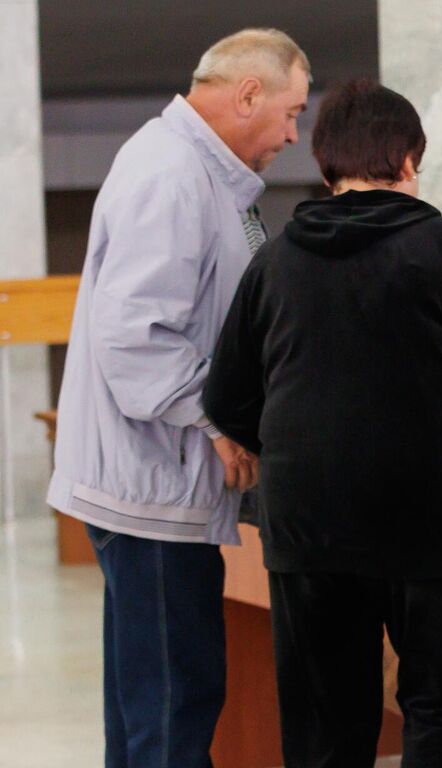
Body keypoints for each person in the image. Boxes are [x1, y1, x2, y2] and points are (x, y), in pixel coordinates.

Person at [203, 79, 442, 767]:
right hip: (427, 521)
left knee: (325, 724)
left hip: (306, 526)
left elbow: (228, 397)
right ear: (409, 162)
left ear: (325, 161)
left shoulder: (276, 259)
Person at [45, 28, 307, 767]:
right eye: (289, 112)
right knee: (173, 703)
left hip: (155, 484)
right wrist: (215, 415)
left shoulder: (194, 170)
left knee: (148, 707)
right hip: (151, 487)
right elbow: (134, 335)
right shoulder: (169, 174)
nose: (292, 134)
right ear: (247, 93)